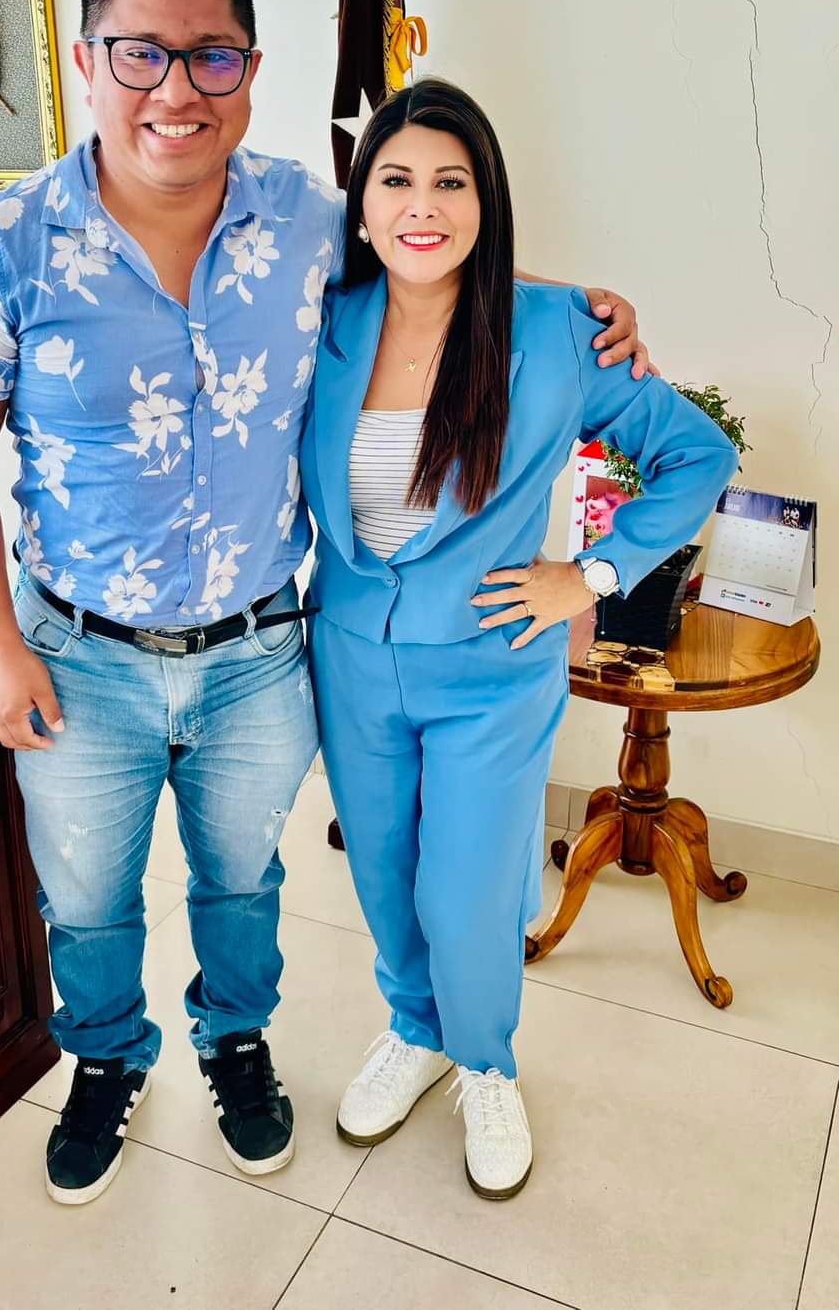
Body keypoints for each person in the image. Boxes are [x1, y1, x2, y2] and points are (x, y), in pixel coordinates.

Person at [0, 0, 651, 1206]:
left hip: (262, 649)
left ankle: (236, 1041)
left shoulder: (307, 220)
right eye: (141, 53)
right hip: (78, 652)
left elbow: (434, 255)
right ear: (86, 60)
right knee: (86, 897)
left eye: (212, 57)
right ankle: (105, 1056)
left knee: (244, 882)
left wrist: (581, 305)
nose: (176, 90)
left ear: (250, 70)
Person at [302, 78, 739, 1201]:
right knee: (387, 878)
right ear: (362, 204)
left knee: (468, 891)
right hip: (351, 657)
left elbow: (698, 456)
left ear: (487, 202)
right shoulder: (320, 321)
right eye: (397, 180)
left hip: (491, 666)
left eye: (452, 182)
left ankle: (486, 1062)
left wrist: (588, 575)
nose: (423, 205)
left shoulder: (555, 336)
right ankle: (416, 1029)